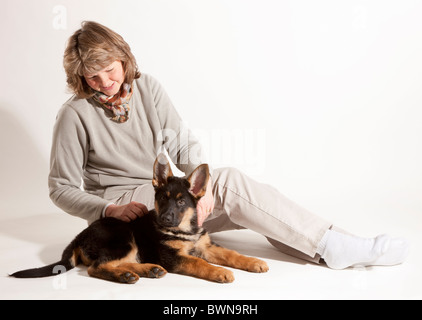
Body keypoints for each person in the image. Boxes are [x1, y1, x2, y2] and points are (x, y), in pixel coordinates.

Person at [49, 21, 409, 270]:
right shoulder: (74, 114)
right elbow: (60, 188)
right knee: (232, 182)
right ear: (79, 77)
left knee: (251, 200)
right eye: (92, 76)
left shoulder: (148, 88)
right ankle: (335, 246)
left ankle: (333, 247)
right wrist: (107, 210)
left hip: (168, 203)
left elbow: (183, 145)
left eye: (110, 70)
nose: (105, 82)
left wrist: (200, 191)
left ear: (123, 59)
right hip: (128, 212)